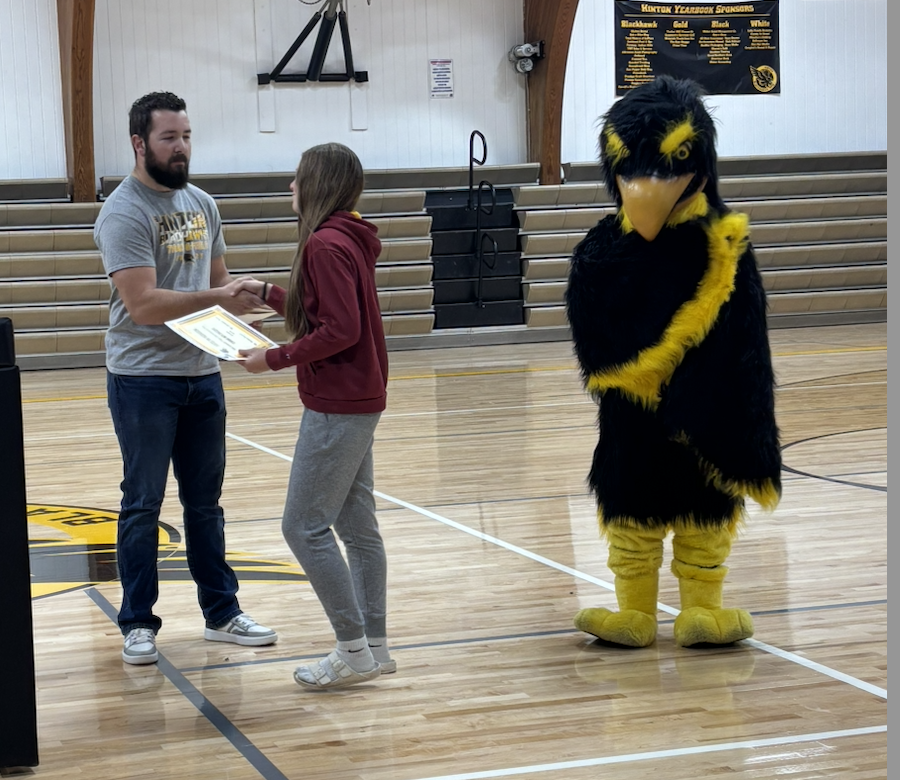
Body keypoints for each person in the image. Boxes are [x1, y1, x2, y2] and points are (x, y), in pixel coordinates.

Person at [94, 91, 277, 665]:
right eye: (169, 137)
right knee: (143, 503)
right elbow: (144, 304)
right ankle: (138, 623)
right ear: (139, 143)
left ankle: (222, 613)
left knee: (206, 504)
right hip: (144, 378)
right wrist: (217, 296)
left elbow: (220, 289)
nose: (181, 148)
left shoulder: (202, 203)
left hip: (203, 374)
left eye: (187, 136)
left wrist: (253, 307)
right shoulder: (124, 212)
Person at [236, 142, 393, 690]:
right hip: (361, 397)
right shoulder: (347, 236)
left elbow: (339, 331)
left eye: (297, 178)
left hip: (336, 404)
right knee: (357, 527)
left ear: (318, 182)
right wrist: (269, 293)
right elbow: (329, 313)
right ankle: (373, 645)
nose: (291, 188)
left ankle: (352, 649)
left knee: (302, 526)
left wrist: (271, 359)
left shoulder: (324, 243)